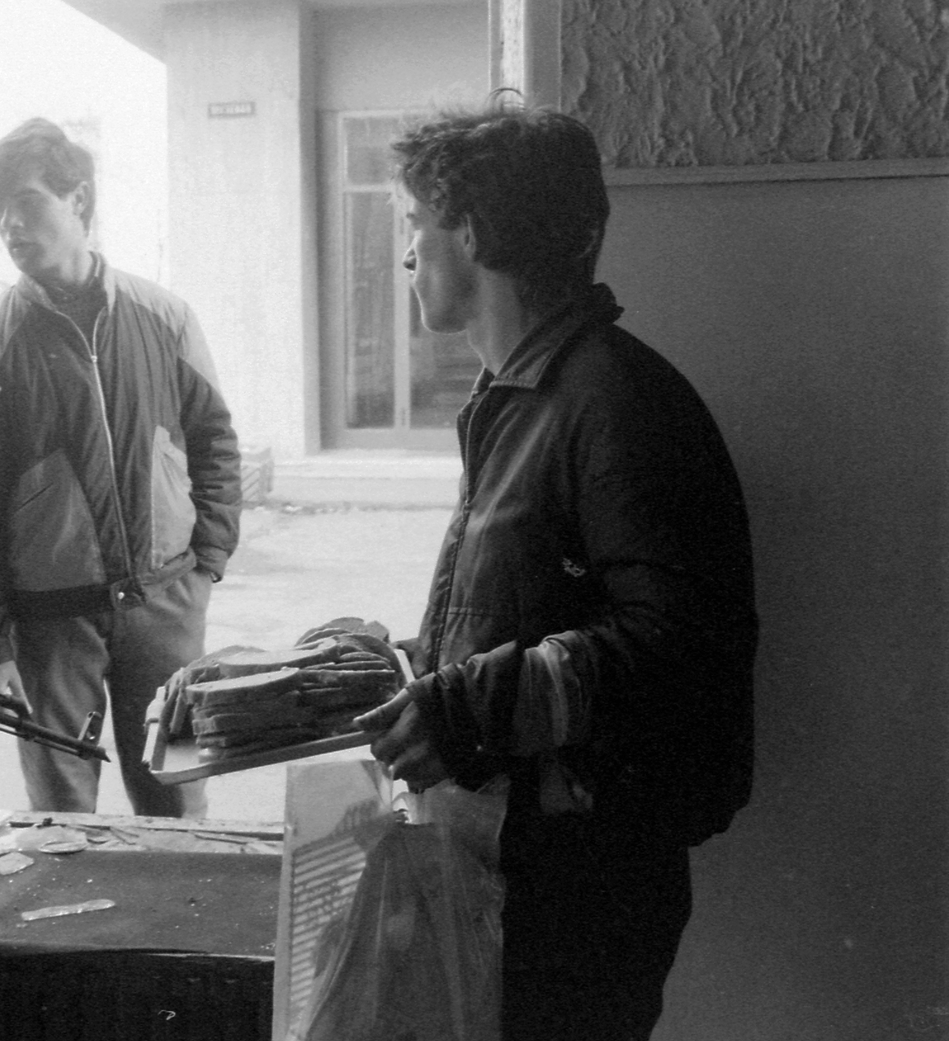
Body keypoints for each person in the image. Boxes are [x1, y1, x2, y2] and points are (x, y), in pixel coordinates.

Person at [354, 102, 757, 1041]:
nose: (409, 257)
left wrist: (466, 708)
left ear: (475, 232)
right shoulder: (532, 391)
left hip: (583, 890)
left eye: (416, 226)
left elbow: (677, 643)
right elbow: (533, 606)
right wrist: (406, 668)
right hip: (530, 868)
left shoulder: (615, 400)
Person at [0, 118, 242, 818]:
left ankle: (176, 932)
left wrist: (207, 563)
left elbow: (214, 438)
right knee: (61, 820)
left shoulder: (163, 316)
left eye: (28, 202)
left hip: (167, 603)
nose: (10, 224)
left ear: (80, 202)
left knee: (179, 803)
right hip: (48, 628)